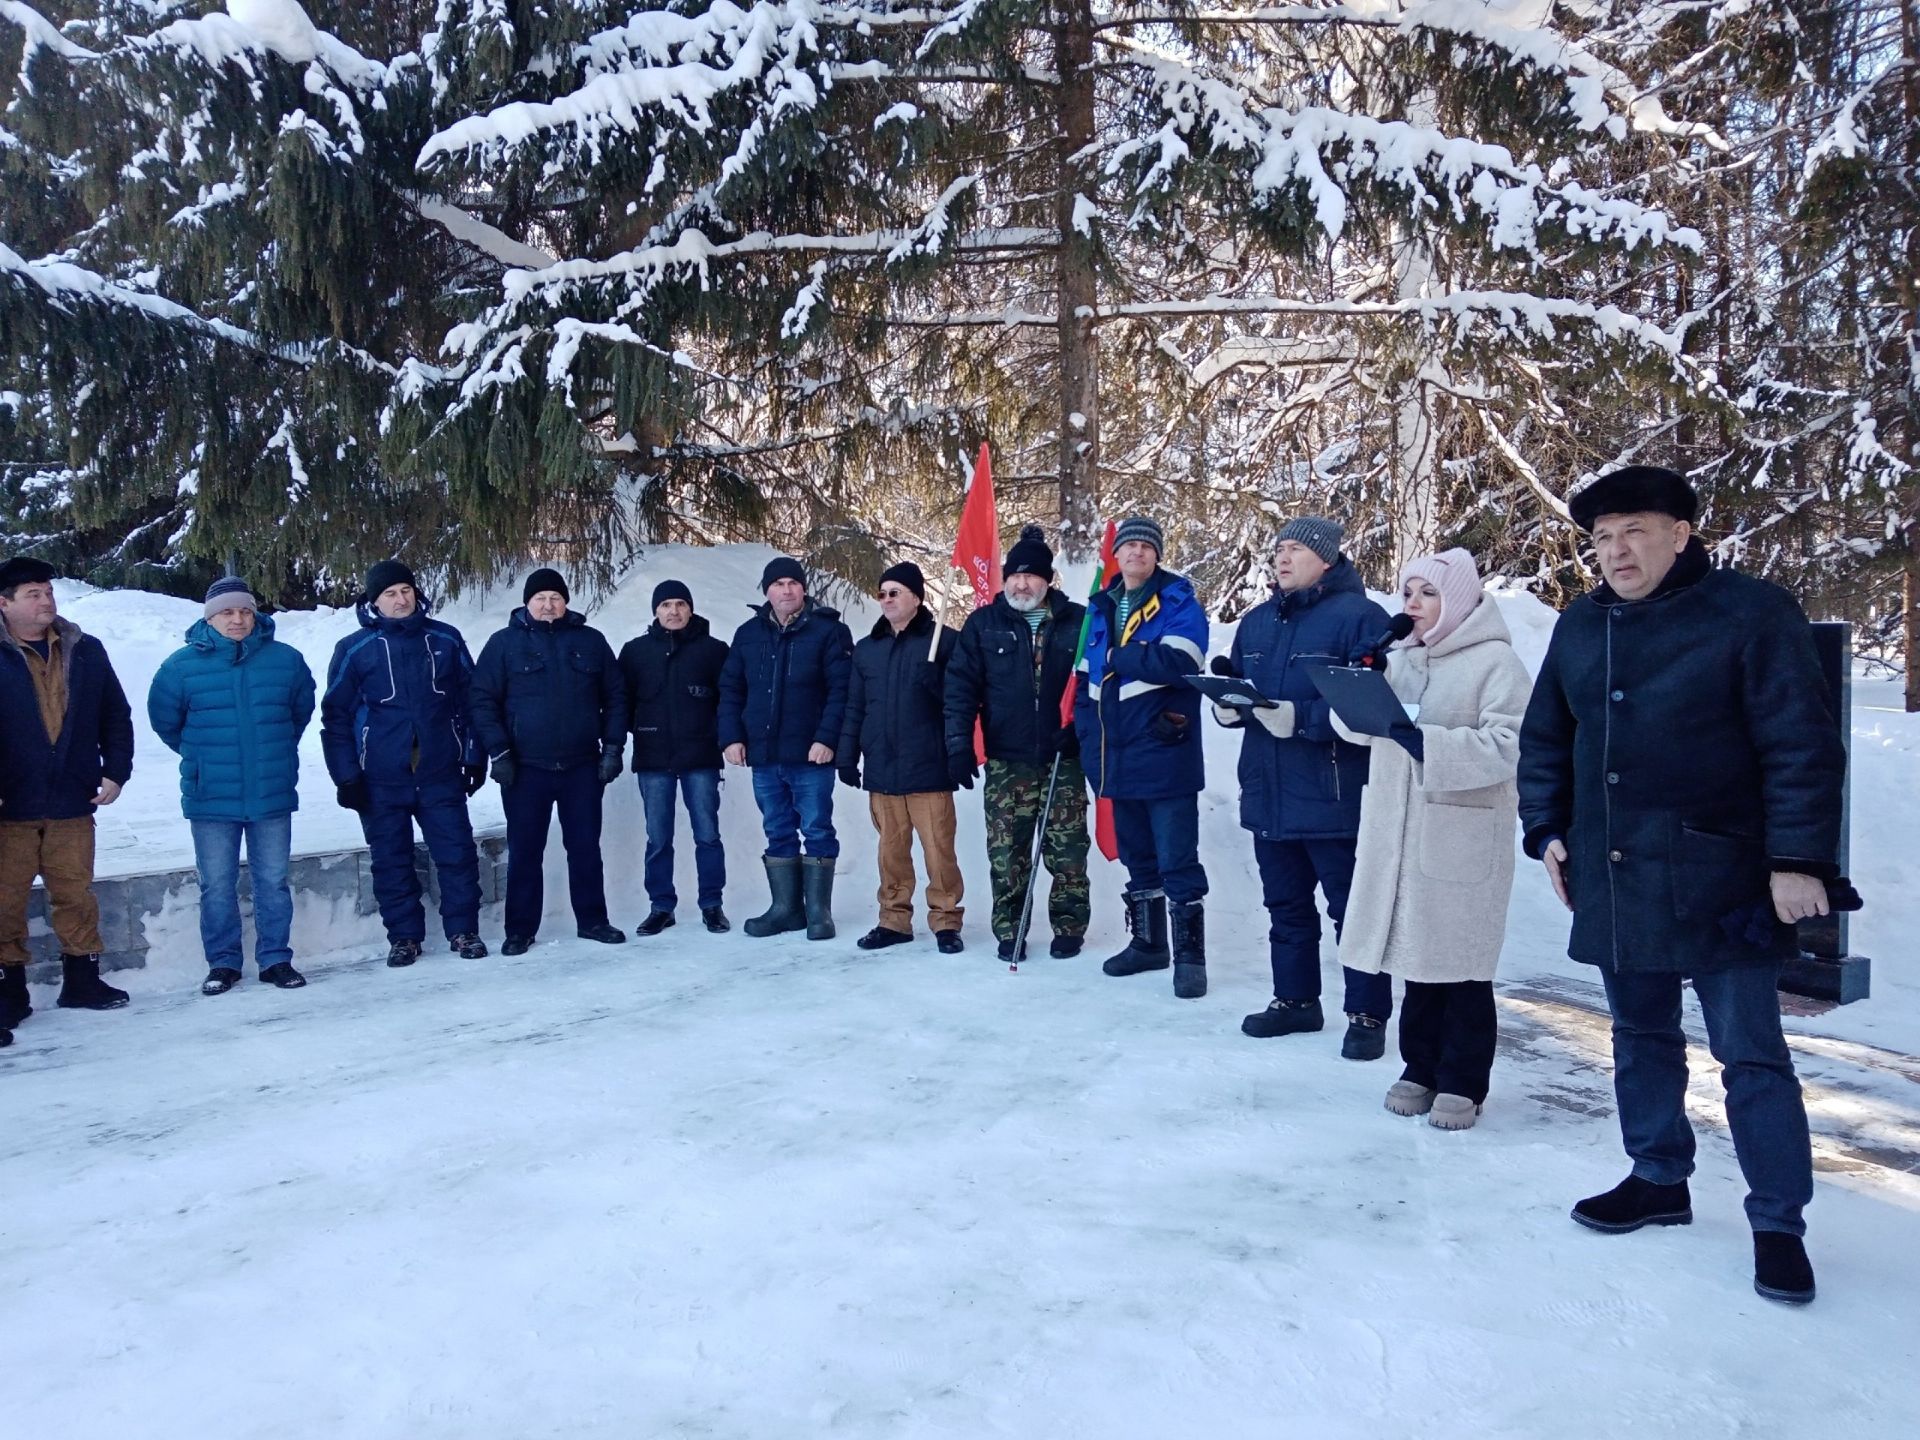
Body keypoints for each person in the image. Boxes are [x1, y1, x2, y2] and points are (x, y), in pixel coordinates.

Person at [1517, 465, 1846, 1306]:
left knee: (1752, 1057)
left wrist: (1798, 859)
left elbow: (1800, 747)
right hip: (1615, 870)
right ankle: (1659, 1176)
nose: (1616, 550)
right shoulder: (1581, 625)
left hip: (1723, 873)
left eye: (1634, 530)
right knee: (1639, 1036)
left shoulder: (1750, 613)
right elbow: (1546, 740)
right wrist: (1549, 832)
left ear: (1681, 533)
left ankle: (1779, 1222)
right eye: (1601, 537)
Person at [1331, 550, 1532, 1127]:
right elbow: (1357, 729)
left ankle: (1464, 1081)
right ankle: (1419, 1067)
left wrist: (1426, 742)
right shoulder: (1405, 659)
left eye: (1428, 594)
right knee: (1416, 958)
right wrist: (1360, 682)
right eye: (1409, 593)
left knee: (1462, 964)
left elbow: (1510, 744)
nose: (1413, 605)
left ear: (1460, 600)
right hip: (1398, 831)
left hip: (1460, 834)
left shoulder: (1497, 663)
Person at [1214, 517, 1394, 1058]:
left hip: (1333, 791)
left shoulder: (1362, 618)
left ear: (1328, 558)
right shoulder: (1257, 621)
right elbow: (1249, 696)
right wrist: (1230, 707)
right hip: (1268, 792)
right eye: (1278, 549)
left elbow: (1374, 706)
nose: (1282, 558)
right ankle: (1295, 1001)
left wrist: (1302, 719)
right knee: (1285, 906)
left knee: (1351, 911)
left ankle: (1367, 1012)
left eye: (1295, 549)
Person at [148, 576, 318, 995]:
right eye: (227, 611)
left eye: (245, 610)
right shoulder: (180, 666)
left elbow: (299, 712)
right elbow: (165, 722)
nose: (238, 619)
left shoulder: (286, 660)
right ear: (210, 618)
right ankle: (223, 963)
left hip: (270, 791)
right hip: (211, 796)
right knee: (217, 884)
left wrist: (271, 751)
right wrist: (204, 759)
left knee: (273, 881)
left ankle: (276, 958)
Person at [321, 559, 489, 967]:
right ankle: (404, 937)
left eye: (406, 591)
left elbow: (473, 701)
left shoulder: (444, 639)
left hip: (439, 772)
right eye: (390, 594)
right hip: (381, 778)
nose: (400, 600)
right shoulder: (355, 649)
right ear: (374, 602)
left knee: (456, 854)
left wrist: (472, 755)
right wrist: (346, 776)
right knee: (391, 861)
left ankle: (464, 931)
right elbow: (335, 716)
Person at [1075, 515, 1210, 998]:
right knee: (1137, 856)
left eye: (1146, 547)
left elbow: (1182, 659)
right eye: (1128, 545)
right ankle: (1150, 944)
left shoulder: (1177, 600)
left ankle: (1190, 957)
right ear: (1117, 554)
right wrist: (1088, 742)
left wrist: (1121, 656)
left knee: (1177, 858)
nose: (1136, 553)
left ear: (1157, 555)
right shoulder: (1099, 606)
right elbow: (1085, 683)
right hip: (1115, 755)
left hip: (1163, 749)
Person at [944, 524, 1090, 961]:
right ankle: (1011, 929)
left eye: (1031, 576)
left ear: (1048, 580)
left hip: (1063, 757)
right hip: (1007, 761)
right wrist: (957, 745)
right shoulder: (983, 625)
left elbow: (1093, 684)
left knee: (1067, 851)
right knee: (1007, 853)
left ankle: (1069, 925)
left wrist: (1080, 727)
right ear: (1005, 578)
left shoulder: (1077, 622)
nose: (1022, 583)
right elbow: (960, 688)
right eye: (1015, 575)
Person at [0, 555, 136, 1025]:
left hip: (70, 801)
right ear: (4, 603)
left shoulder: (86, 648)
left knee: (76, 894)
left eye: (48, 591)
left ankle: (82, 980)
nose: (46, 601)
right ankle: (9, 991)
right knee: (4, 899)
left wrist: (116, 771)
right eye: (32, 594)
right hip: (9, 805)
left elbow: (115, 715)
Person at [471, 568, 627, 956]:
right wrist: (500, 752)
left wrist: (612, 749)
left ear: (566, 602)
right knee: (525, 851)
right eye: (540, 598)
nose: (548, 604)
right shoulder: (503, 644)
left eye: (555, 597)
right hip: (525, 769)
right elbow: (482, 700)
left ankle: (593, 921)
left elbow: (617, 697)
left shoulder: (590, 642)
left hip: (582, 766)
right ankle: (520, 929)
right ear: (527, 603)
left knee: (585, 848)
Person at [717, 557, 855, 941]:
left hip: (811, 756)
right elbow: (731, 689)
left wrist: (827, 739)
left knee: (816, 828)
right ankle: (785, 909)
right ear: (766, 591)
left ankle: (818, 913)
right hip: (764, 756)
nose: (787, 590)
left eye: (793, 583)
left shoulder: (830, 632)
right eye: (778, 584)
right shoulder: (748, 634)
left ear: (804, 589)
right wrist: (731, 737)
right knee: (777, 830)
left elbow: (841, 692)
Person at [837, 561, 966, 953]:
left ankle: (946, 921)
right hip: (883, 769)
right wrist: (847, 754)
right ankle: (894, 920)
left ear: (916, 597)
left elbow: (963, 701)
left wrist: (939, 685)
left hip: (928, 767)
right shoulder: (867, 649)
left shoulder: (944, 641)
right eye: (882, 593)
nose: (887, 599)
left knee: (938, 852)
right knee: (891, 853)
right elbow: (855, 706)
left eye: (895, 592)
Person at [619, 579, 731, 936]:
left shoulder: (714, 651)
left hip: (701, 756)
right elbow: (621, 702)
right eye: (666, 605)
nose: (673, 611)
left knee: (708, 834)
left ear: (691, 609)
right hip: (653, 759)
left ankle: (712, 905)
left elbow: (728, 701)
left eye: (681, 604)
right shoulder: (635, 652)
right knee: (657, 837)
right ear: (655, 610)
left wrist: (725, 738)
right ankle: (661, 907)